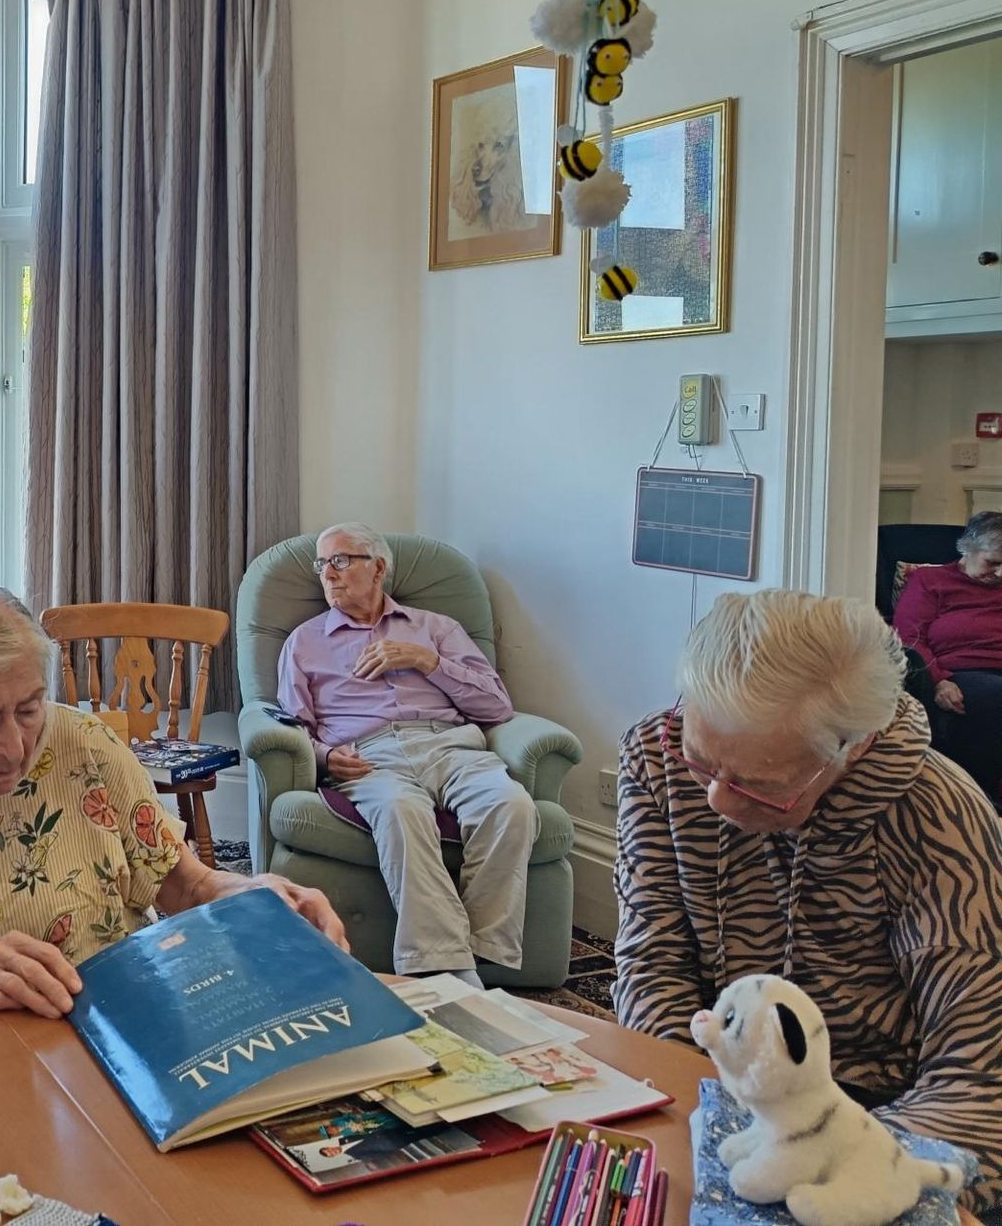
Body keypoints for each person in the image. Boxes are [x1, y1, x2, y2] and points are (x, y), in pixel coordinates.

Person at [614, 589, 1002, 1220]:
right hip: (715, 1079)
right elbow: (652, 963)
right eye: (701, 762)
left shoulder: (939, 817)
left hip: (881, 1118)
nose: (715, 800)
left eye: (759, 786)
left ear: (855, 747)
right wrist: (702, 1116)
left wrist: (844, 1174)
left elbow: (979, 1073)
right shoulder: (655, 756)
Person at [0, 588, 347, 1018]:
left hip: (113, 1027)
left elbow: (189, 885)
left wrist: (256, 895)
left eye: (29, 709)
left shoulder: (86, 746)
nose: (16, 748)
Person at [275, 524, 535, 986]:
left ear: (378, 568)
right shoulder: (304, 641)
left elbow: (496, 707)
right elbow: (291, 724)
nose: (328, 574)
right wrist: (324, 756)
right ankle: (447, 967)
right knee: (401, 811)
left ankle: (481, 952)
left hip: (451, 746)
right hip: (371, 757)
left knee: (511, 804)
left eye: (340, 561)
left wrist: (426, 661)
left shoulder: (436, 629)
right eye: (322, 564)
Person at [894, 510, 1002, 795]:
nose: (1000, 573)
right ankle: (980, 797)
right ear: (967, 549)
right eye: (993, 562)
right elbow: (910, 637)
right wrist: (939, 680)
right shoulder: (931, 581)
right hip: (963, 672)